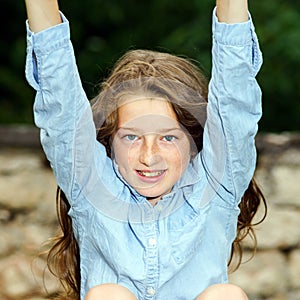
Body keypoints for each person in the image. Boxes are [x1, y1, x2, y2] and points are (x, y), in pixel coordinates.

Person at [24, 0, 266, 299]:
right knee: (108, 294)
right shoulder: (91, 185)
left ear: (193, 144)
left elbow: (234, 96)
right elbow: (59, 99)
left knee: (225, 295)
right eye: (131, 138)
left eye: (168, 138)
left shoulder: (217, 185)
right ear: (109, 143)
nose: (149, 156)